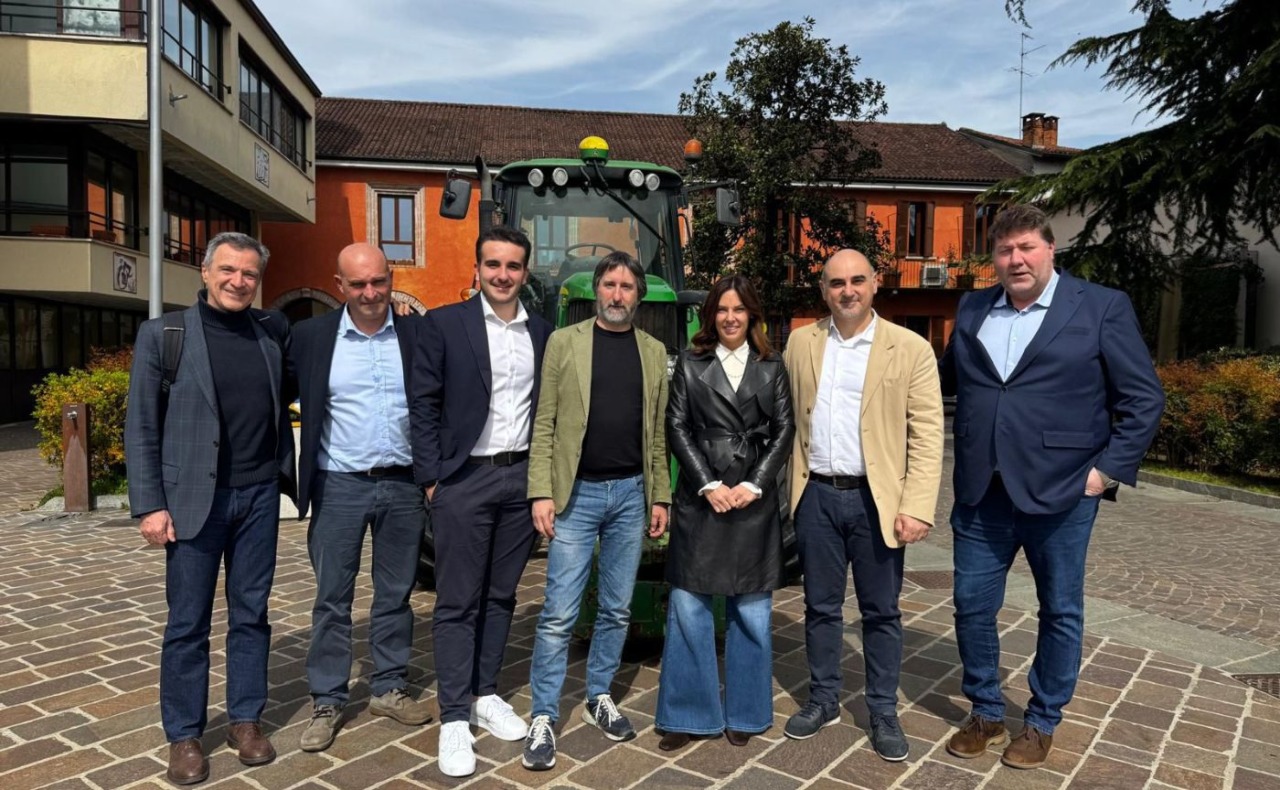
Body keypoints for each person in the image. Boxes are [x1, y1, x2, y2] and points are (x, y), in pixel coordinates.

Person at [940, 204, 1164, 770]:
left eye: (1026, 248)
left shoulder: (1101, 307)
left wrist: (1105, 471)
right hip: (981, 489)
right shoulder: (971, 308)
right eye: (1004, 250)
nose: (1016, 259)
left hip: (1063, 490)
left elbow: (1143, 399)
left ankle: (1041, 721)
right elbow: (941, 383)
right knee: (971, 605)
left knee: (1059, 609)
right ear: (992, 258)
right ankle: (987, 710)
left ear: (1050, 249)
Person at [125, 232, 297, 785]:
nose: (238, 281)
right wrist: (150, 504)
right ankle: (184, 734)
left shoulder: (271, 331)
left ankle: (245, 719)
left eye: (249, 273)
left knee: (251, 615)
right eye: (227, 270)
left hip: (257, 497)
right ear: (204, 271)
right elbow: (143, 425)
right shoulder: (165, 335)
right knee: (187, 623)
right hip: (194, 502)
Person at [781, 249, 944, 762]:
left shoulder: (910, 348)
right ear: (823, 290)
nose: (846, 290)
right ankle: (824, 698)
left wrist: (917, 504)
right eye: (835, 283)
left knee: (881, 612)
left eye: (856, 281)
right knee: (820, 608)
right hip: (817, 497)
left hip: (878, 501)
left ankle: (882, 709)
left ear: (875, 284)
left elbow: (927, 433)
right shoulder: (800, 343)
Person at [521, 251, 672, 771]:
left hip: (632, 494)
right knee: (560, 611)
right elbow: (545, 424)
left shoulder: (653, 352)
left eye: (627, 286)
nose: (617, 294)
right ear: (598, 290)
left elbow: (657, 435)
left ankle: (599, 695)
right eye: (610, 284)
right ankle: (543, 713)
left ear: (639, 295)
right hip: (576, 495)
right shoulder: (565, 344)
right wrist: (541, 491)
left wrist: (661, 495)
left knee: (616, 608)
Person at [410, 227, 553, 777]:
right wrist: (432, 479)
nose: (502, 274)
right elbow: (422, 403)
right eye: (492, 264)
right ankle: (452, 717)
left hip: (520, 480)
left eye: (513, 266)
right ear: (478, 269)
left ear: (525, 272)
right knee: (456, 600)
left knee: (501, 595)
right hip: (464, 479)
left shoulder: (542, 333)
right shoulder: (445, 325)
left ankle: (485, 693)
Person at [288, 242, 431, 754]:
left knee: (396, 593)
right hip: (339, 484)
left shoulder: (418, 334)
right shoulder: (310, 337)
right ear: (339, 284)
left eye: (379, 281)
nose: (370, 293)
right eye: (358, 284)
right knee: (332, 598)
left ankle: (389, 687)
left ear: (390, 278)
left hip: (403, 483)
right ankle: (327, 699)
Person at [654, 275, 795, 751]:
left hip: (753, 502)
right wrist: (708, 483)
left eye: (739, 310)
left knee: (752, 612)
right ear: (710, 314)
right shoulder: (692, 365)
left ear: (752, 315)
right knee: (688, 608)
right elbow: (676, 425)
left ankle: (748, 712)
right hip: (702, 498)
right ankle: (688, 713)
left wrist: (754, 484)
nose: (730, 318)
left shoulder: (772, 365)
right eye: (722, 309)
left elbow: (784, 429)